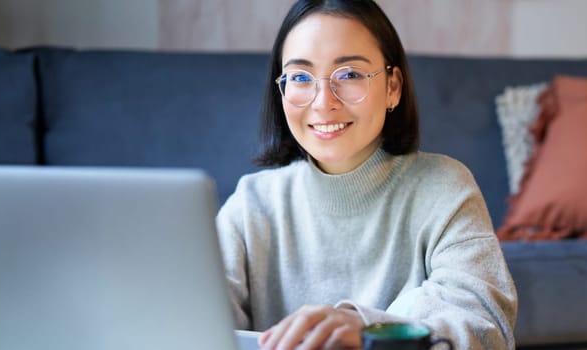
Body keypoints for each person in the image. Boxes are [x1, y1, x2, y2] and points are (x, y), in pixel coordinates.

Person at [215, 0, 517, 349]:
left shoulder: (446, 188)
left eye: (350, 74)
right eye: (300, 77)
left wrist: (366, 326)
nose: (323, 101)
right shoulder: (251, 203)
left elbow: (484, 324)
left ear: (393, 87)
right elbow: (195, 318)